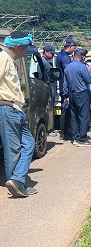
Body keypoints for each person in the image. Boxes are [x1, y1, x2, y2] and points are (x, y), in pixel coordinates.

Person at [0, 30, 37, 197]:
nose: (26, 52)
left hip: (15, 110)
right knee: (13, 149)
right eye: (26, 48)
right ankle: (16, 184)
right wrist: (4, 102)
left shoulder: (8, 59)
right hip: (9, 109)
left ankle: (17, 180)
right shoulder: (3, 58)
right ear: (19, 47)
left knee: (28, 144)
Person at [63, 48, 91, 147]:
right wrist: (89, 71)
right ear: (83, 57)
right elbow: (89, 80)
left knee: (74, 115)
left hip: (71, 94)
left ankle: (75, 137)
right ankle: (82, 138)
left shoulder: (68, 67)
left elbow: (65, 83)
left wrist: (66, 95)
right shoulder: (83, 67)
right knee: (84, 116)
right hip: (82, 93)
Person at [56, 38, 77, 141]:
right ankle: (64, 132)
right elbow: (68, 73)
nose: (74, 49)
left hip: (63, 86)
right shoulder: (65, 58)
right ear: (70, 46)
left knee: (66, 110)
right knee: (66, 110)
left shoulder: (60, 55)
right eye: (74, 47)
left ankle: (65, 131)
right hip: (66, 88)